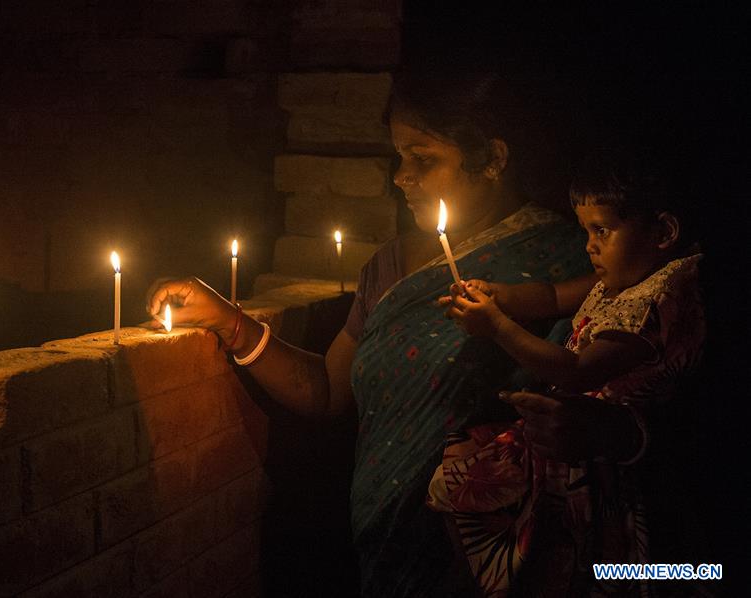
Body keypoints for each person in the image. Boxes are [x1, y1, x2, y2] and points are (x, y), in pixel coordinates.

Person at [146, 71, 591, 597]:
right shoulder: (394, 264)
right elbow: (329, 392)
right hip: (392, 538)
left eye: (423, 159)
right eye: (400, 157)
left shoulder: (576, 261)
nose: (402, 177)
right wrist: (231, 323)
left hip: (504, 549)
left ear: (492, 158)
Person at [429, 151, 706, 596]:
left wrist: (497, 326)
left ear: (664, 232)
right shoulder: (626, 279)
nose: (589, 246)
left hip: (611, 469)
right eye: (586, 231)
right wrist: (499, 296)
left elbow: (578, 372)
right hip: (585, 442)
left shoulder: (658, 299)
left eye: (602, 230)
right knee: (461, 468)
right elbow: (554, 296)